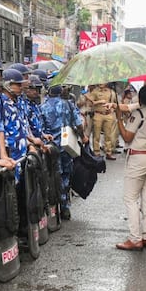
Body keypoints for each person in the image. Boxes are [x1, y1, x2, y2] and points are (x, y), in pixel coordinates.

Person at [114, 85, 146, 250]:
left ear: (140, 99)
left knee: (131, 198)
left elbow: (127, 136)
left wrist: (119, 119)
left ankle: (134, 238)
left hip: (139, 158)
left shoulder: (138, 114)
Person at [40, 85, 88, 220]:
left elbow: (41, 128)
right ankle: (65, 205)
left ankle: (54, 205)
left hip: (50, 147)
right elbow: (78, 124)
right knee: (66, 175)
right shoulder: (68, 105)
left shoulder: (42, 107)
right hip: (66, 146)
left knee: (53, 175)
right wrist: (83, 136)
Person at [85, 83, 118, 160]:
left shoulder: (111, 92)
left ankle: (108, 152)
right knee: (96, 135)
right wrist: (99, 102)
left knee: (108, 135)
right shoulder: (95, 91)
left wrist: (112, 109)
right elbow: (90, 102)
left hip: (108, 114)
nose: (101, 83)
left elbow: (115, 103)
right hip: (98, 114)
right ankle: (96, 152)